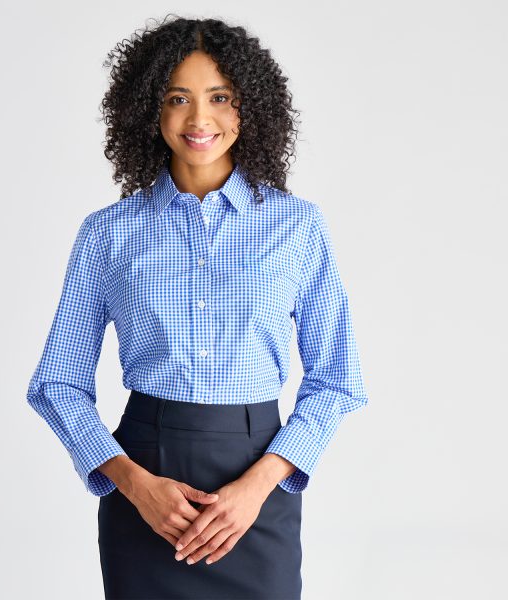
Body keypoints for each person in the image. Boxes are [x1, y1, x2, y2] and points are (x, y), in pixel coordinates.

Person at [26, 14, 369, 600]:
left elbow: (337, 380)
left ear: (249, 107)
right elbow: (57, 382)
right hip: (145, 481)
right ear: (148, 109)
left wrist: (258, 486)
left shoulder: (298, 228)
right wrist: (134, 486)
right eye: (177, 98)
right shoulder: (109, 234)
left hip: (258, 481)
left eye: (220, 97)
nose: (199, 119)